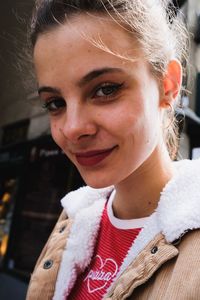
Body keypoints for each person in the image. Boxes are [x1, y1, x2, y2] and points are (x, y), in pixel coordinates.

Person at [26, 0, 200, 299]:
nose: (72, 128)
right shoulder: (71, 221)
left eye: (106, 89)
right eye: (56, 103)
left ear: (168, 85)